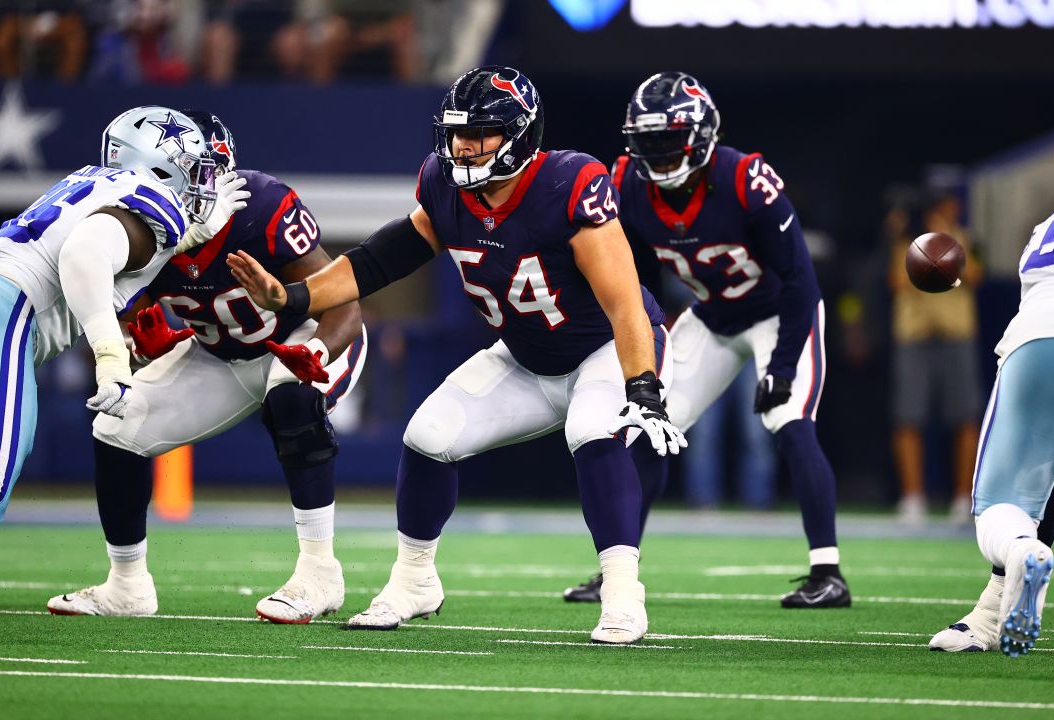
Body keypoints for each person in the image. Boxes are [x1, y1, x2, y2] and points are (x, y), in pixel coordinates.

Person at [227, 65, 685, 644]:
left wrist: (642, 385)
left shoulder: (568, 184)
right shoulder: (445, 187)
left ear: (519, 133)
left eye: (481, 132)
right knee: (428, 437)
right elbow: (377, 261)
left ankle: (622, 595)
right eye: (456, 131)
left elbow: (625, 305)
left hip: (604, 349)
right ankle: (414, 580)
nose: (462, 144)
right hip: (525, 353)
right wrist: (292, 295)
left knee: (593, 432)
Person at [45, 111, 367, 622]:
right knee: (116, 425)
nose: (212, 183)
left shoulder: (259, 206)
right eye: (198, 170)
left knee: (292, 397)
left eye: (210, 168)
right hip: (219, 353)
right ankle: (126, 585)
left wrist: (318, 352)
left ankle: (319, 575)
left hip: (301, 338)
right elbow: (119, 311)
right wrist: (139, 338)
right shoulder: (134, 226)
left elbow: (344, 302)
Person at [565, 71, 850, 608]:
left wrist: (783, 366)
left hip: (779, 315)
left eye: (670, 141)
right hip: (712, 315)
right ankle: (617, 570)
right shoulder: (626, 182)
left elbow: (799, 280)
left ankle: (828, 573)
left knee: (789, 423)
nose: (661, 154)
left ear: (702, 134)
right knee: (649, 429)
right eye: (648, 142)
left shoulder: (745, 178)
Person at [0, 105, 220, 525]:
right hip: (1, 310)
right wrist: (111, 356)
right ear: (162, 162)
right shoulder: (155, 198)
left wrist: (180, 241)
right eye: (193, 167)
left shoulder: (93, 180)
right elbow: (84, 253)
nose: (200, 183)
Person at [928, 167, 1054, 656]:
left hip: (1035, 343)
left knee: (1004, 505)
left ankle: (1020, 557)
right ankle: (992, 614)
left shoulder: (1047, 229)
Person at [887, 193, 985, 524]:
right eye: (943, 203)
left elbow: (976, 276)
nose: (950, 208)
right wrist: (923, 253)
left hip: (956, 334)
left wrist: (951, 244)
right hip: (915, 336)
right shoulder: (907, 239)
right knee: (908, 415)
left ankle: (963, 498)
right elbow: (898, 282)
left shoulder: (966, 237)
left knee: (965, 415)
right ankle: (913, 498)